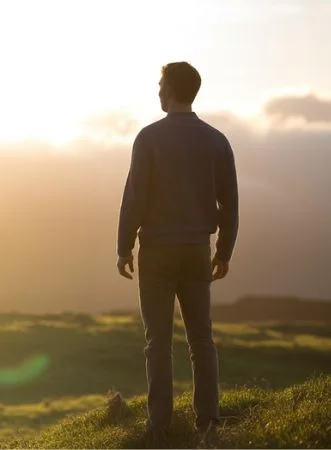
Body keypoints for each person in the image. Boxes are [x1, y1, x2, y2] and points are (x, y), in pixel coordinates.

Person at [116, 61, 239, 443]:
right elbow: (230, 203)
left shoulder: (149, 138)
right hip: (197, 250)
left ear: (169, 90)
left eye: (159, 84)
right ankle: (209, 423)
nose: (157, 90)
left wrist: (124, 246)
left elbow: (135, 197)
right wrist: (225, 251)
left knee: (158, 341)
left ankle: (160, 425)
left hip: (156, 250)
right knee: (201, 338)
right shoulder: (216, 139)